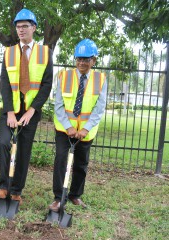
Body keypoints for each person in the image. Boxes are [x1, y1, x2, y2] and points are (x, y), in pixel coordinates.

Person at [0, 9, 53, 204]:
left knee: (23, 150)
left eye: (25, 26)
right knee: (3, 143)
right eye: (18, 27)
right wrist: (10, 111)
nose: (21, 30)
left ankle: (17, 189)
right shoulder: (9, 52)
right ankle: (4, 186)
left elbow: (46, 84)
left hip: (30, 111)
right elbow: (4, 83)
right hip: (10, 110)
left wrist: (32, 110)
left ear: (34, 28)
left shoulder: (45, 53)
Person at [49, 39, 107, 211]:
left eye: (86, 59)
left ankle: (75, 195)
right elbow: (58, 105)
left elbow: (99, 107)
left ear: (93, 60)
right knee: (60, 160)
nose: (82, 62)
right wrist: (69, 127)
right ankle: (58, 197)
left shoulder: (101, 79)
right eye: (79, 59)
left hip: (86, 131)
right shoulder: (63, 76)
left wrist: (85, 129)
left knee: (81, 163)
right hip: (64, 128)